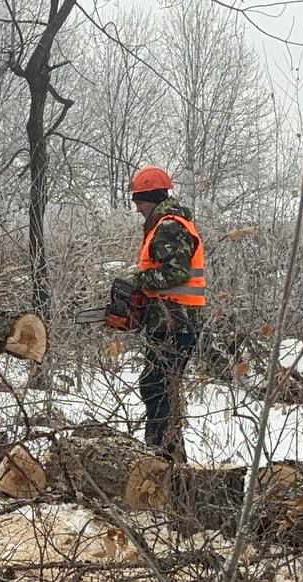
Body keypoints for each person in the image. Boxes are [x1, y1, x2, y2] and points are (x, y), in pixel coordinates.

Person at [122, 165, 205, 461]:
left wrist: (138, 282)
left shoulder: (169, 225)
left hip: (176, 320)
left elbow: (176, 272)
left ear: (152, 198)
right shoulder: (165, 223)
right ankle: (165, 450)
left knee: (157, 385)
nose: (138, 209)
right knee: (159, 385)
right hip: (169, 318)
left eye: (140, 202)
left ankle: (162, 453)